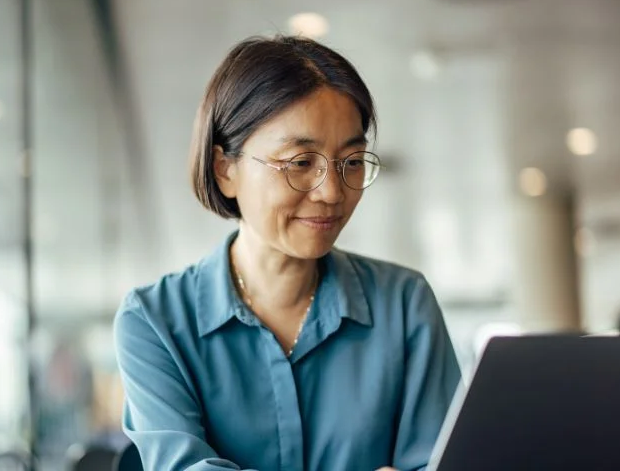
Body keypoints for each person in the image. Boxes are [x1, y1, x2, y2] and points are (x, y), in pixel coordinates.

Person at [113, 35, 461, 471]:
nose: (332, 192)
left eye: (351, 161)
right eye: (300, 162)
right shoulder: (154, 321)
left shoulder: (404, 304)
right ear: (225, 170)